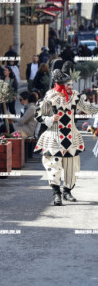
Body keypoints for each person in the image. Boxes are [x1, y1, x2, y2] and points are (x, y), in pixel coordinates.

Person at [34, 65, 98, 206]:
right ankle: (56, 194)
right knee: (53, 165)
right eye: (68, 84)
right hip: (53, 137)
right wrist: (50, 120)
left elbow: (88, 108)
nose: (71, 86)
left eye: (72, 84)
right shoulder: (50, 97)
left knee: (72, 167)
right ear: (60, 85)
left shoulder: (75, 96)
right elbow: (38, 115)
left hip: (71, 137)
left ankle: (67, 191)